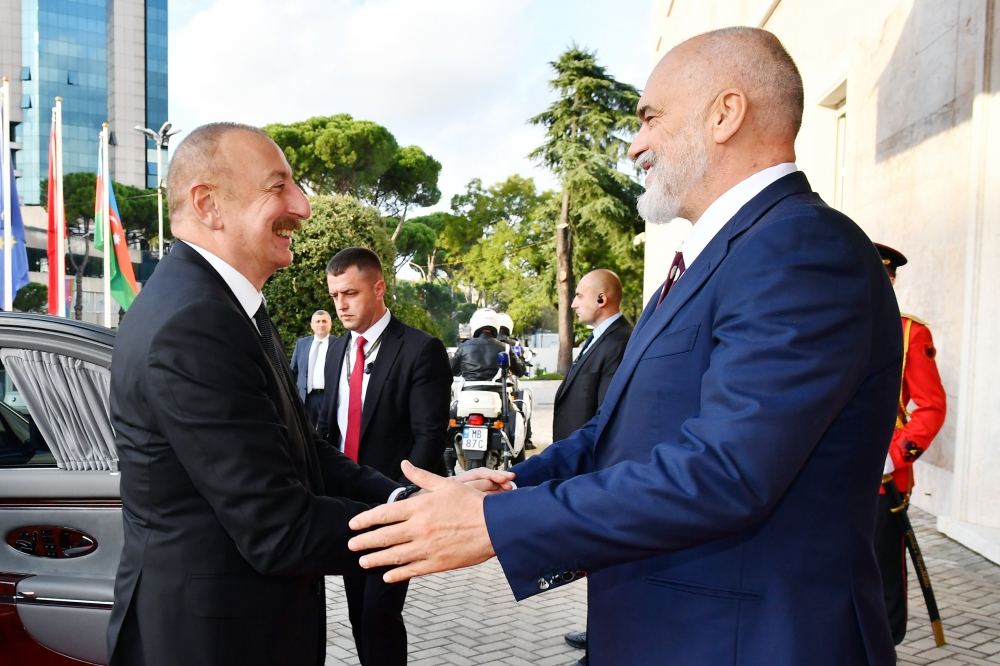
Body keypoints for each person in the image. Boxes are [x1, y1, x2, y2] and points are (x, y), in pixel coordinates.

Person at [348, 27, 902, 665]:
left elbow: (726, 473)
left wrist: (497, 527)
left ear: (725, 113)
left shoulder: (800, 249)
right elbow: (616, 437)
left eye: (649, 117)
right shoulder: (720, 257)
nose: (635, 144)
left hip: (745, 642)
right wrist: (502, 488)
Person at [106, 123, 402, 666]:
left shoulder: (224, 305)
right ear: (209, 203)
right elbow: (279, 528)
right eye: (278, 186)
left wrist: (403, 498)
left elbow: (302, 452)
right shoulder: (195, 321)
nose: (303, 205)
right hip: (211, 643)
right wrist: (420, 528)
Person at [317, 247, 453, 666]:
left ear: (379, 288)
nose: (340, 305)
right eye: (335, 295)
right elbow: (329, 426)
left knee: (379, 612)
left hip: (395, 508)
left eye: (351, 293)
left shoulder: (420, 349)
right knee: (359, 611)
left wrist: (406, 503)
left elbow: (427, 437)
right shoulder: (338, 349)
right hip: (345, 505)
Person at [555, 269, 632, 664]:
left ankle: (602, 641)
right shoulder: (600, 339)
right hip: (579, 468)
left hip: (594, 472)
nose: (572, 302)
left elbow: (607, 418)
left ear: (602, 300)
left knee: (602, 563)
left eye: (579, 295)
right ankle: (597, 633)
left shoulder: (619, 342)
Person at [873, 242, 947, 645]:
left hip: (884, 478)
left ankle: (884, 648)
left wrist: (895, 454)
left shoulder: (909, 333)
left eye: (884, 277)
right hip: (832, 472)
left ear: (893, 280)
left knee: (883, 573)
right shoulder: (831, 326)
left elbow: (931, 406)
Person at [450, 308, 525, 380]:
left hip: (469, 390)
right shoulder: (506, 347)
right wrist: (521, 359)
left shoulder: (463, 347)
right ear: (496, 324)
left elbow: (452, 370)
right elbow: (520, 371)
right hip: (496, 391)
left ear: (474, 323)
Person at [289, 309, 334, 427]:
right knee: (307, 432)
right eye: (317, 321)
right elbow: (293, 371)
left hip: (329, 397)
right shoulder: (302, 343)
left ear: (330, 324)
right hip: (306, 398)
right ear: (312, 325)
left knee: (327, 432)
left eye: (324, 321)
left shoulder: (338, 343)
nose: (321, 324)